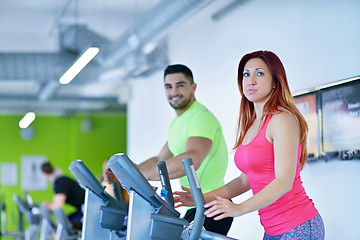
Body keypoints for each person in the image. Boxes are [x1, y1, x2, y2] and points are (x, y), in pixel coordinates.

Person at [174, 51, 325, 239]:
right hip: (272, 229)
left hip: (298, 225)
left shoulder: (282, 119)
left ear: (275, 81)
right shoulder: (252, 123)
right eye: (246, 74)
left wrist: (239, 208)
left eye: (259, 73)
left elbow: (284, 181)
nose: (250, 80)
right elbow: (244, 180)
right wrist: (200, 198)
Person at [104, 64, 233, 236]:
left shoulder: (200, 117)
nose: (174, 92)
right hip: (194, 205)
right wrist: (126, 174)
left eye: (180, 85)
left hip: (212, 205)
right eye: (168, 86)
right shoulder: (178, 122)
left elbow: (192, 159)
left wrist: (144, 174)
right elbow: (159, 159)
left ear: (193, 87)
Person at [41, 161, 85, 229]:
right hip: (82, 209)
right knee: (63, 224)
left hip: (86, 210)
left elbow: (58, 205)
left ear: (45, 174)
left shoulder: (61, 182)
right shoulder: (60, 180)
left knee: (63, 226)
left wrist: (46, 206)